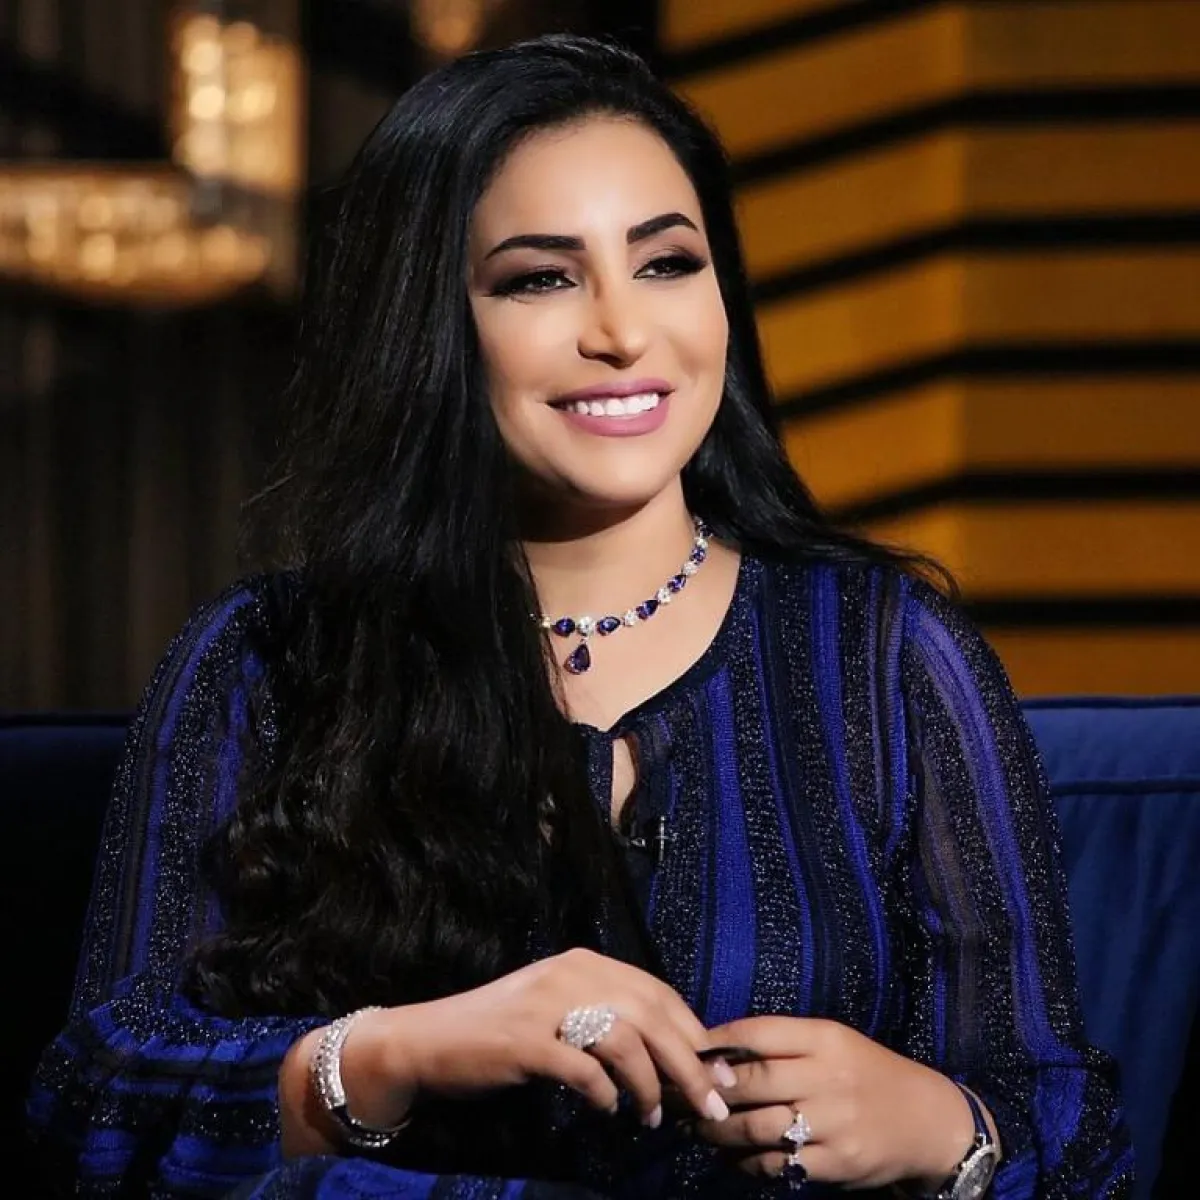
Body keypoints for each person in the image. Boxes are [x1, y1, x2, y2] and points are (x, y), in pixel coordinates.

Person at [28, 33, 1132, 1200]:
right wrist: (404, 1052)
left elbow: (1073, 1128)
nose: (622, 330)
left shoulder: (884, 654)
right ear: (426, 325)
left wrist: (946, 1130)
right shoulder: (269, 658)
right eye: (540, 279)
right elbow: (90, 1106)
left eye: (667, 263)